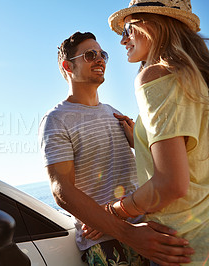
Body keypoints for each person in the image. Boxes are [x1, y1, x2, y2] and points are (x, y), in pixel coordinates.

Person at [38, 31, 193, 265]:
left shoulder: (114, 113)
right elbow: (62, 191)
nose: (100, 59)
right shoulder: (56, 119)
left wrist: (138, 143)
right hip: (107, 242)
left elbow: (161, 169)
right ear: (68, 66)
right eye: (90, 55)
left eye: (103, 54)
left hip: (149, 229)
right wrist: (128, 234)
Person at [106, 0, 209, 264]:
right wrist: (141, 140)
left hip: (180, 246)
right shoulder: (197, 78)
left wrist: (115, 212)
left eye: (127, 30)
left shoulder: (153, 76)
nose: (122, 41)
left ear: (150, 24)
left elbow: (170, 184)